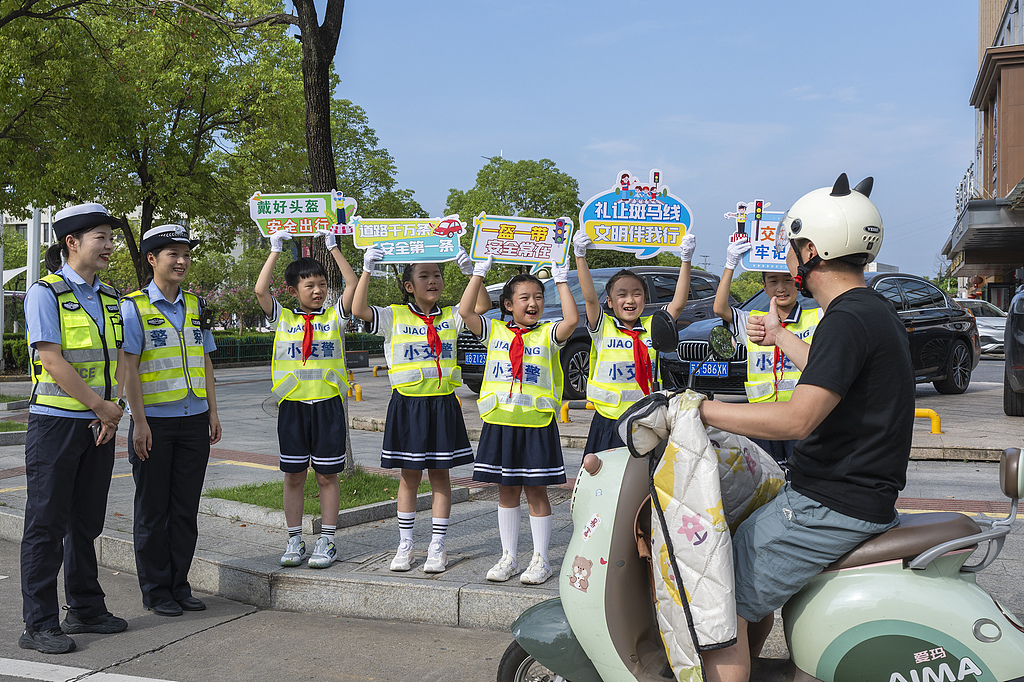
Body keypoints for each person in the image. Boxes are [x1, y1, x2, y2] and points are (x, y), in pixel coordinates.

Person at [696, 175, 914, 682]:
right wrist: (777, 335)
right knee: (749, 553)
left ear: (811, 251)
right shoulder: (868, 311)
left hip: (831, 505)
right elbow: (830, 371)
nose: (786, 262)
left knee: (717, 605)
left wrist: (697, 408)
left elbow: (797, 417)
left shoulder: (846, 319)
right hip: (848, 495)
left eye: (790, 249)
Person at [20, 203, 128, 654]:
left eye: (110, 237)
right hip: (56, 425)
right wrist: (102, 408)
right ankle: (39, 623)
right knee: (46, 523)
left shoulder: (111, 298)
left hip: (98, 423)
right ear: (73, 243)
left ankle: (85, 606)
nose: (109, 246)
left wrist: (113, 407)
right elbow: (52, 360)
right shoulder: (45, 293)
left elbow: (121, 358)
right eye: (101, 237)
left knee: (86, 522)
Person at [351, 245, 490, 574]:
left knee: (441, 476)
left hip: (443, 405)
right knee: (409, 476)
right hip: (407, 407)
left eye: (437, 275)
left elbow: (482, 305)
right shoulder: (393, 316)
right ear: (408, 285)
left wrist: (472, 271)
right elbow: (358, 308)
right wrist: (368, 268)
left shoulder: (452, 316)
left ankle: (438, 545)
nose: (433, 281)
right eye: (424, 276)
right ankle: (406, 544)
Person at [120, 224, 221, 617]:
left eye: (186, 254)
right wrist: (139, 421)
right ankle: (156, 590)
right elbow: (128, 367)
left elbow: (206, 360)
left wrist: (213, 411)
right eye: (172, 255)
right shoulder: (133, 307)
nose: (181, 262)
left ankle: (180, 584)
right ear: (152, 260)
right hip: (154, 425)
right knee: (152, 510)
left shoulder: (195, 305)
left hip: (194, 420)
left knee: (184, 508)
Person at [459, 258, 579, 585]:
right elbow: (467, 312)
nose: (533, 303)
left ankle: (541, 559)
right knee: (506, 491)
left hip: (536, 424)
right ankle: (509, 557)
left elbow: (572, 319)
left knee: (536, 491)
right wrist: (477, 273)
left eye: (539, 297)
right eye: (524, 298)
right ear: (509, 305)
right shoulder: (494, 330)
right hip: (500, 423)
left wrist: (562, 279)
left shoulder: (548, 334)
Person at [254, 229, 357, 570]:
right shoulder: (281, 318)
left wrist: (334, 249)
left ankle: (327, 540)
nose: (318, 291)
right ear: (294, 290)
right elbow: (259, 289)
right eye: (309, 285)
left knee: (328, 476)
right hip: (293, 409)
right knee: (294, 475)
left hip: (327, 408)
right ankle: (294, 538)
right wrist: (274, 251)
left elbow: (353, 286)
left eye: (322, 285)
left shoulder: (333, 318)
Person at [572, 231, 696, 453]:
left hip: (646, 420)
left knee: (643, 482)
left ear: (645, 299)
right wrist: (580, 257)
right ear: (609, 301)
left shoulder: (653, 325)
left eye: (636, 294)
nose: (630, 300)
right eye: (622, 294)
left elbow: (678, 303)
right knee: (602, 479)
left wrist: (686, 260)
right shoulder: (603, 327)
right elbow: (590, 298)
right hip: (608, 421)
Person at [711, 235, 821, 468]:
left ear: (797, 281)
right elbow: (719, 308)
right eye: (772, 281)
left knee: (800, 475)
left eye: (787, 280)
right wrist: (730, 263)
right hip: (762, 419)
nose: (781, 288)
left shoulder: (816, 318)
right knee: (765, 478)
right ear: (764, 286)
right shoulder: (753, 321)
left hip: (800, 417)